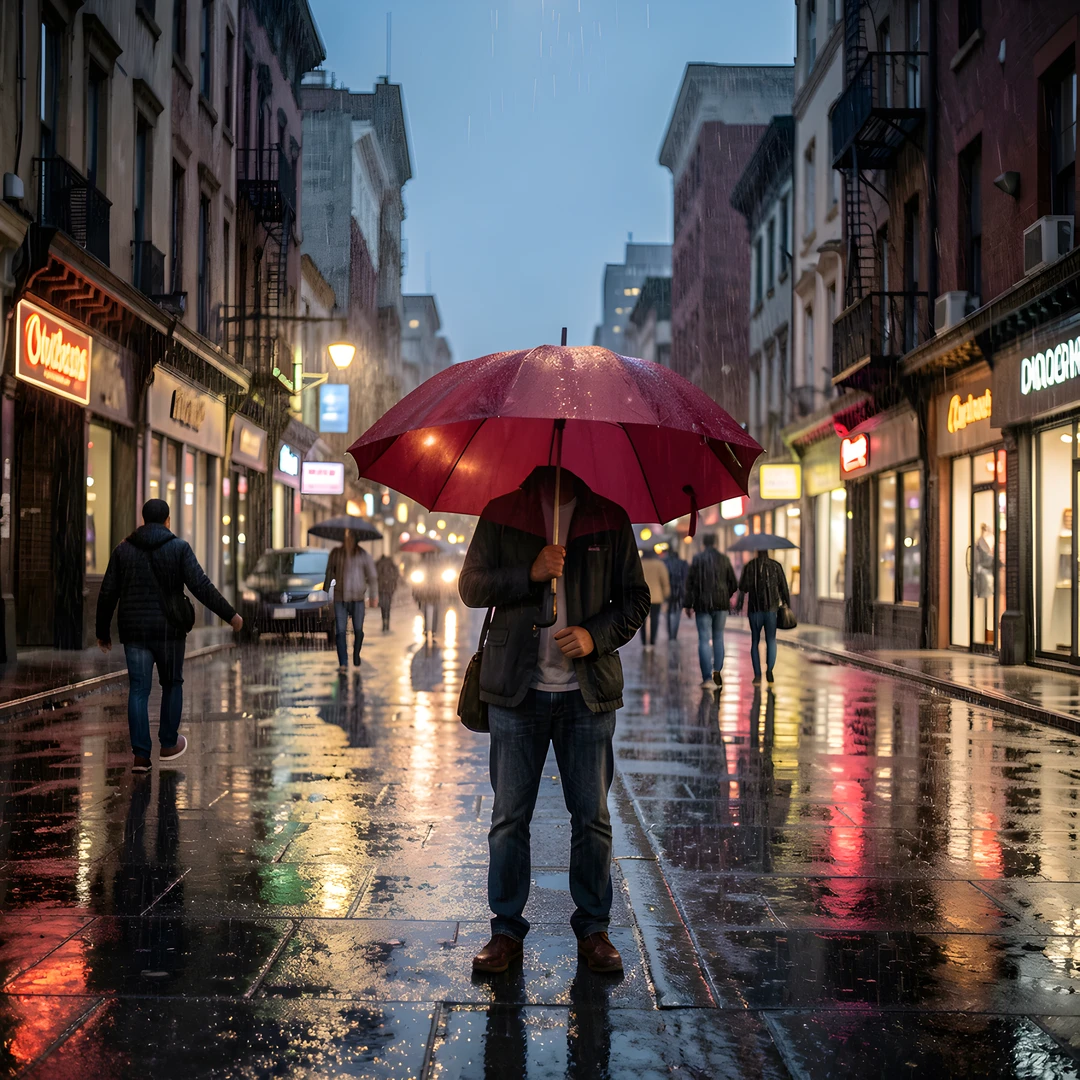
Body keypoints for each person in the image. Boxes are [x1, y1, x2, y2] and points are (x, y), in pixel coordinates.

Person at [459, 466, 650, 977]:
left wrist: (594, 635)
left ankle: (594, 927)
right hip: (515, 692)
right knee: (509, 817)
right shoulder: (504, 512)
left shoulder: (608, 518)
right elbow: (471, 586)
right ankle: (504, 930)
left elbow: (635, 599)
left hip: (584, 697)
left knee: (592, 817)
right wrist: (530, 572)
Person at [96, 498, 242, 773]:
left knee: (138, 689)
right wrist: (231, 616)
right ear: (167, 521)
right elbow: (201, 586)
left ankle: (140, 755)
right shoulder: (178, 548)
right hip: (169, 632)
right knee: (172, 684)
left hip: (135, 631)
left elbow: (107, 593)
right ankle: (168, 743)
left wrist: (102, 632)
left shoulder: (123, 550)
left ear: (142, 520)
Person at [684, 533, 739, 690]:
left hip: (702, 604)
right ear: (715, 542)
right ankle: (717, 670)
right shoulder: (724, 559)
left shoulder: (697, 559)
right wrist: (724, 595)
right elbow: (733, 584)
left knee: (703, 639)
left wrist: (688, 605)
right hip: (721, 604)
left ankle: (707, 678)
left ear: (703, 543)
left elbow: (690, 584)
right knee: (718, 637)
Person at [735, 548, 791, 686]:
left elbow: (743, 588)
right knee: (771, 640)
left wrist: (739, 604)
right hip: (771, 610)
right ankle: (770, 669)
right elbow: (784, 587)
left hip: (755, 610)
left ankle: (758, 675)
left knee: (755, 641)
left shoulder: (750, 566)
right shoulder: (775, 566)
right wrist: (787, 604)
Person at [326, 530, 378, 672]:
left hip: (358, 598)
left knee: (358, 631)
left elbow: (372, 576)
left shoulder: (363, 555)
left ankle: (356, 654)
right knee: (340, 631)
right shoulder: (336, 553)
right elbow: (329, 572)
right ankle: (343, 663)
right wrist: (326, 592)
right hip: (340, 597)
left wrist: (373, 595)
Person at [638, 549, 670, 648]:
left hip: (642, 597)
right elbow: (665, 581)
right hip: (656, 596)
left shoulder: (640, 564)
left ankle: (643, 642)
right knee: (655, 618)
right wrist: (666, 594)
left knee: (642, 620)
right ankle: (652, 641)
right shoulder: (659, 564)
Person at [664, 547, 689, 640]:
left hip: (667, 592)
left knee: (668, 612)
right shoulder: (683, 564)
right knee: (676, 613)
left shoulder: (664, 563)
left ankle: (670, 633)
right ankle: (673, 635)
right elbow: (686, 578)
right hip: (680, 592)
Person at [375, 553, 400, 632]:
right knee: (387, 606)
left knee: (383, 605)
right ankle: (387, 623)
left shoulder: (378, 564)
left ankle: (384, 623)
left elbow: (374, 575)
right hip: (389, 587)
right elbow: (396, 574)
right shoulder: (391, 563)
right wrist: (393, 582)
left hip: (381, 587)